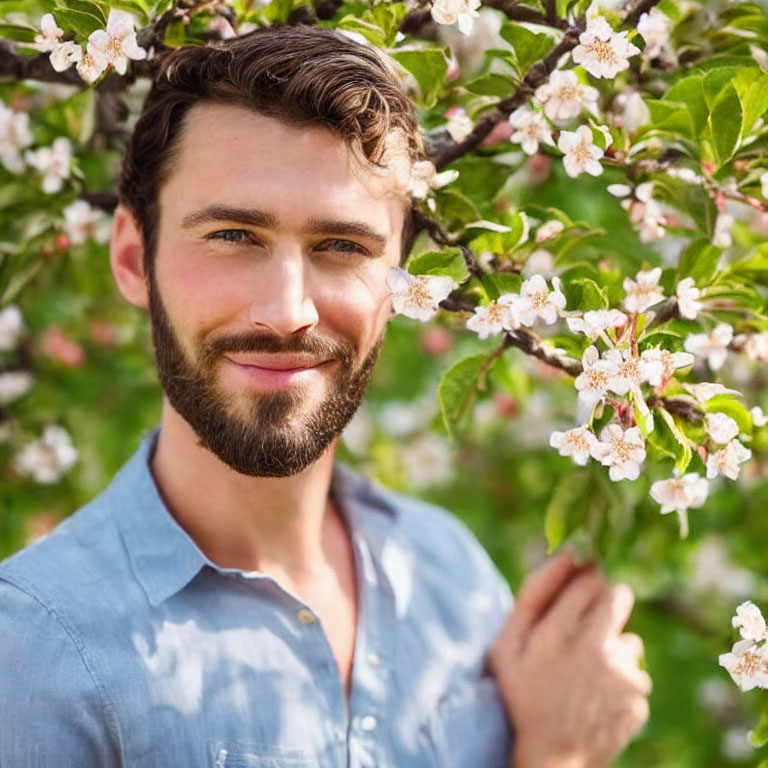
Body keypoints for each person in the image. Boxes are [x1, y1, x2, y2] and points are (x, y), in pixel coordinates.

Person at [0, 26, 650, 767]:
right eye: (233, 235)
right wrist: (557, 755)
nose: (287, 312)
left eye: (342, 247)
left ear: (399, 285)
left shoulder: (450, 573)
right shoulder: (38, 649)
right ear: (131, 258)